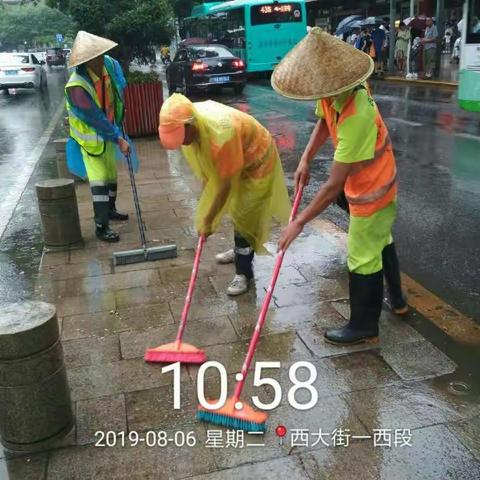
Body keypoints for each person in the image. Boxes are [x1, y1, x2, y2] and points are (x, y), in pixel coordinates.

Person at [271, 28, 408, 345]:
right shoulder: (332, 89)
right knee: (380, 238)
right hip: (366, 182)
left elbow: (333, 185)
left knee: (361, 255)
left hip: (373, 187)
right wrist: (306, 157)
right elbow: (323, 120)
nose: (320, 93)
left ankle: (363, 325)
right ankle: (398, 300)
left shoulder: (357, 112)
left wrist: (299, 223)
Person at [158, 94, 291, 296]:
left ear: (190, 125)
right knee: (236, 210)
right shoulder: (191, 121)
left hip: (257, 160)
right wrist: (208, 213)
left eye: (180, 135)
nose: (182, 143)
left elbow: (224, 186)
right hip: (236, 153)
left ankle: (243, 272)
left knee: (244, 213)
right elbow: (210, 177)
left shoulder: (222, 134)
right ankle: (239, 250)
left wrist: (209, 220)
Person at [65, 31, 130, 243]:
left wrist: (118, 122)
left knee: (111, 176)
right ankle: (101, 227)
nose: (102, 58)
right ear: (86, 61)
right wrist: (118, 138)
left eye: (102, 54)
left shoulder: (107, 68)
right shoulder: (77, 86)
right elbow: (94, 117)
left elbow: (116, 94)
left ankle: (111, 210)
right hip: (90, 141)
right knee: (99, 182)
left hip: (109, 134)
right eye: (97, 56)